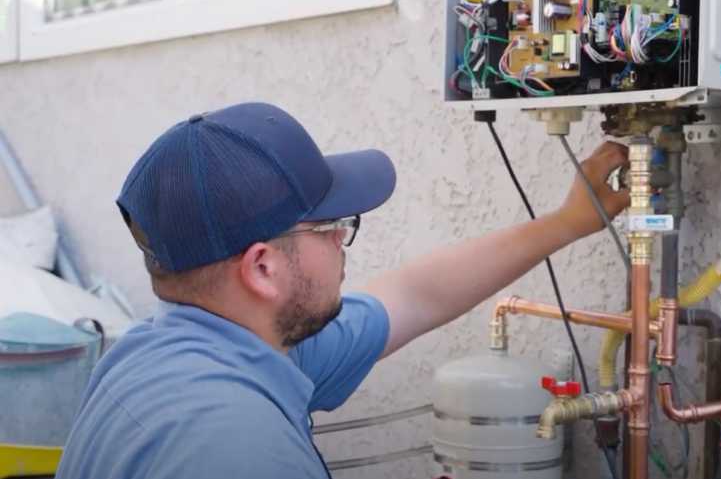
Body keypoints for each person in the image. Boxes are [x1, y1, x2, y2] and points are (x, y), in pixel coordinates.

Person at [54, 101, 629, 479]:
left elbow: (412, 296)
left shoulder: (182, 350)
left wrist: (566, 223)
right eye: (330, 228)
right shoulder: (238, 449)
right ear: (261, 270)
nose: (342, 246)